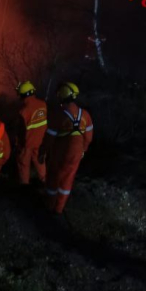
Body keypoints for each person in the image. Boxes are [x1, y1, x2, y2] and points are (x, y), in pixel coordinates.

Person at [40, 82, 93, 214]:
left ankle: (49, 205)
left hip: (61, 151)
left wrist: (42, 152)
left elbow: (49, 138)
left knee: (53, 176)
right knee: (68, 178)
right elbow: (88, 137)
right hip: (77, 152)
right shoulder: (85, 114)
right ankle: (59, 208)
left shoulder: (59, 115)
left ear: (62, 96)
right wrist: (83, 150)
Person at [15, 81, 48, 185]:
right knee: (40, 162)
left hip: (27, 144)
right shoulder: (43, 105)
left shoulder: (23, 111)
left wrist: (18, 144)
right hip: (41, 142)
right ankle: (44, 181)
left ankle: (25, 185)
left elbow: (21, 132)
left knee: (23, 164)